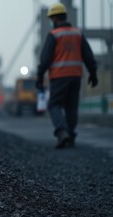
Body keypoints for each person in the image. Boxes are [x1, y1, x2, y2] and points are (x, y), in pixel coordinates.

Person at [36, 3, 98, 149]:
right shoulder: (77, 33)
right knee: (71, 107)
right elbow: (88, 55)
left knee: (54, 105)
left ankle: (62, 132)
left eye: (52, 19)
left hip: (59, 76)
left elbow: (45, 60)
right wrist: (93, 73)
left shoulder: (54, 35)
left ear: (56, 18)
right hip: (76, 76)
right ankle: (70, 135)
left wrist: (39, 77)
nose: (51, 22)